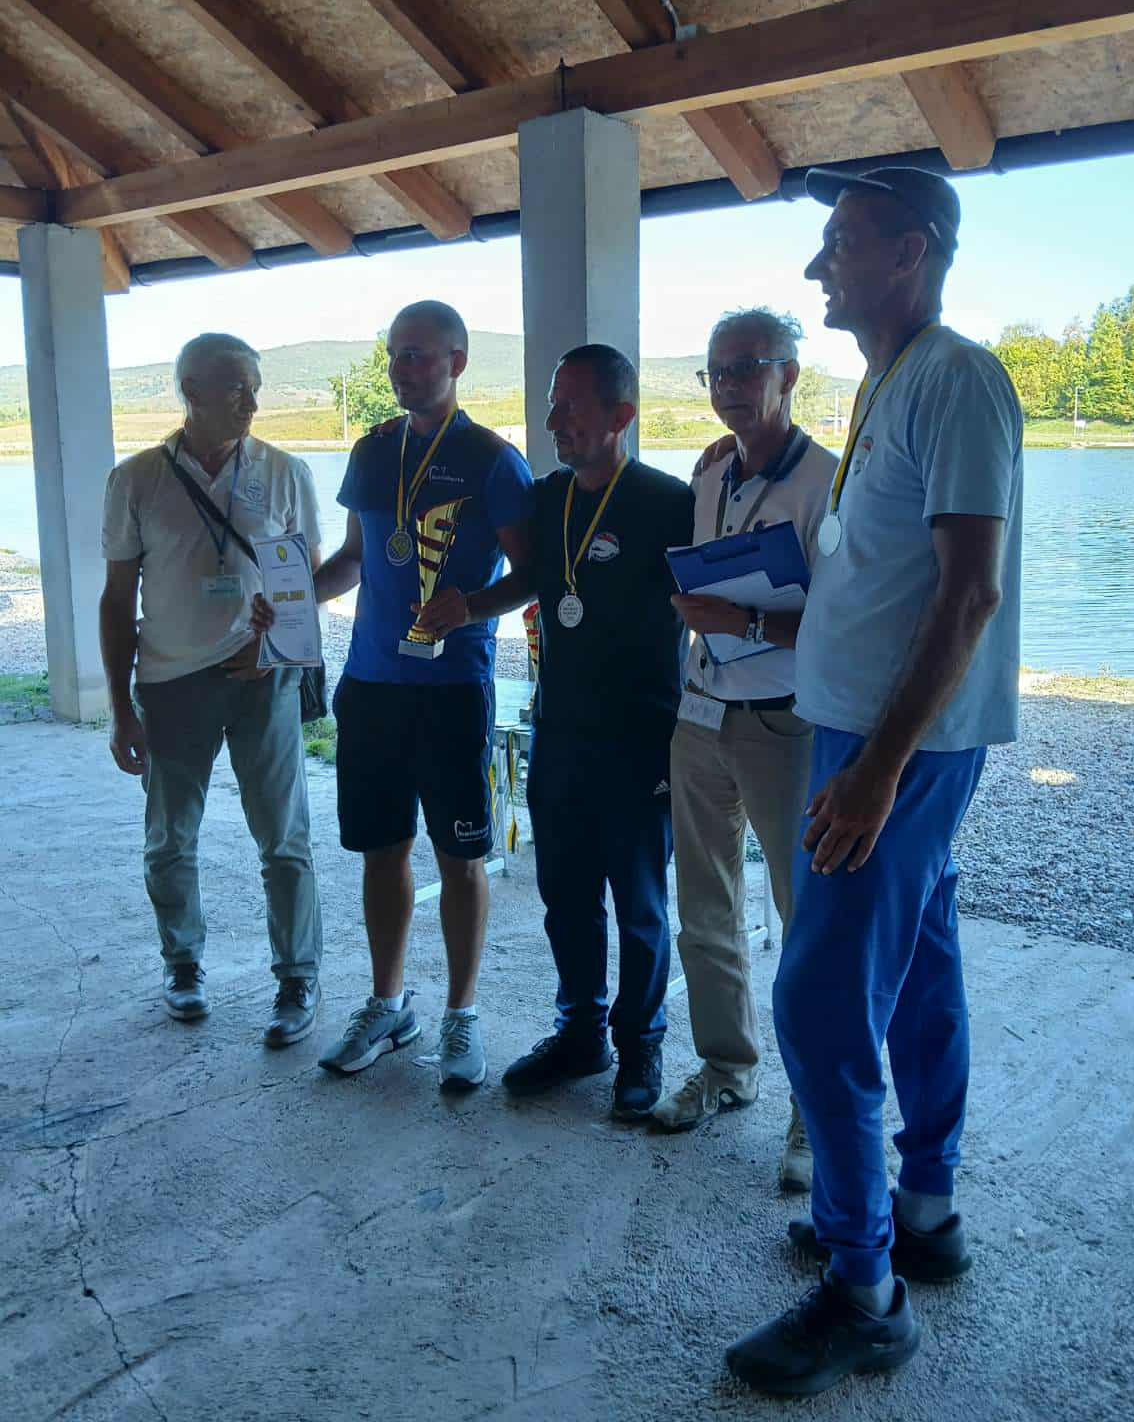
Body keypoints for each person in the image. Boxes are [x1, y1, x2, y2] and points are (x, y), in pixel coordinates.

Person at [726, 169, 1023, 1397]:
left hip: (895, 750)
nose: (819, 267)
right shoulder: (891, 383)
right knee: (920, 975)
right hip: (867, 736)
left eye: (841, 242)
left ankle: (864, 1288)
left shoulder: (957, 379)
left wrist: (877, 770)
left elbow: (969, 592)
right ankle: (925, 1211)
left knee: (818, 1004)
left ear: (912, 251)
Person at [254, 301, 533, 1091]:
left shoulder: (493, 460)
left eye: (418, 355)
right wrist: (296, 601)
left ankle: (461, 1014)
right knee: (382, 849)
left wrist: (470, 607)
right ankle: (388, 1003)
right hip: (372, 683)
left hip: (451, 687)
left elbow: (533, 575)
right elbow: (355, 558)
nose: (401, 369)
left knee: (461, 855)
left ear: (457, 361)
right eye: (394, 355)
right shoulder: (373, 450)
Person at [413, 344, 695, 1120]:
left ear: (621, 415)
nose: (553, 420)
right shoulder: (548, 499)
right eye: (550, 403)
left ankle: (639, 1045)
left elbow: (710, 602)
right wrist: (467, 607)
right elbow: (531, 582)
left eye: (571, 405)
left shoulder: (668, 502)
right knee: (564, 896)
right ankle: (581, 1035)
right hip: (560, 732)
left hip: (642, 737)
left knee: (639, 904)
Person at [651, 309, 836, 1196]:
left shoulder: (827, 484)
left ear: (788, 375)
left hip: (786, 724)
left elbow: (844, 623)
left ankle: (816, 1110)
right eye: (715, 371)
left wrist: (746, 622)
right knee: (705, 908)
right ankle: (727, 1068)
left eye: (746, 368)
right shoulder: (710, 471)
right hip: (701, 717)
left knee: (808, 921)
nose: (728, 386)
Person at [99, 333, 324, 1046]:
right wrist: (120, 710)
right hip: (170, 683)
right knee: (170, 838)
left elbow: (304, 581)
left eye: (255, 387)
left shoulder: (285, 472)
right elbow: (116, 600)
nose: (253, 402)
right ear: (191, 391)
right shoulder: (136, 479)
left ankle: (297, 977)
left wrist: (274, 640)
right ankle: (184, 966)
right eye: (237, 388)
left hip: (264, 679)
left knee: (284, 838)